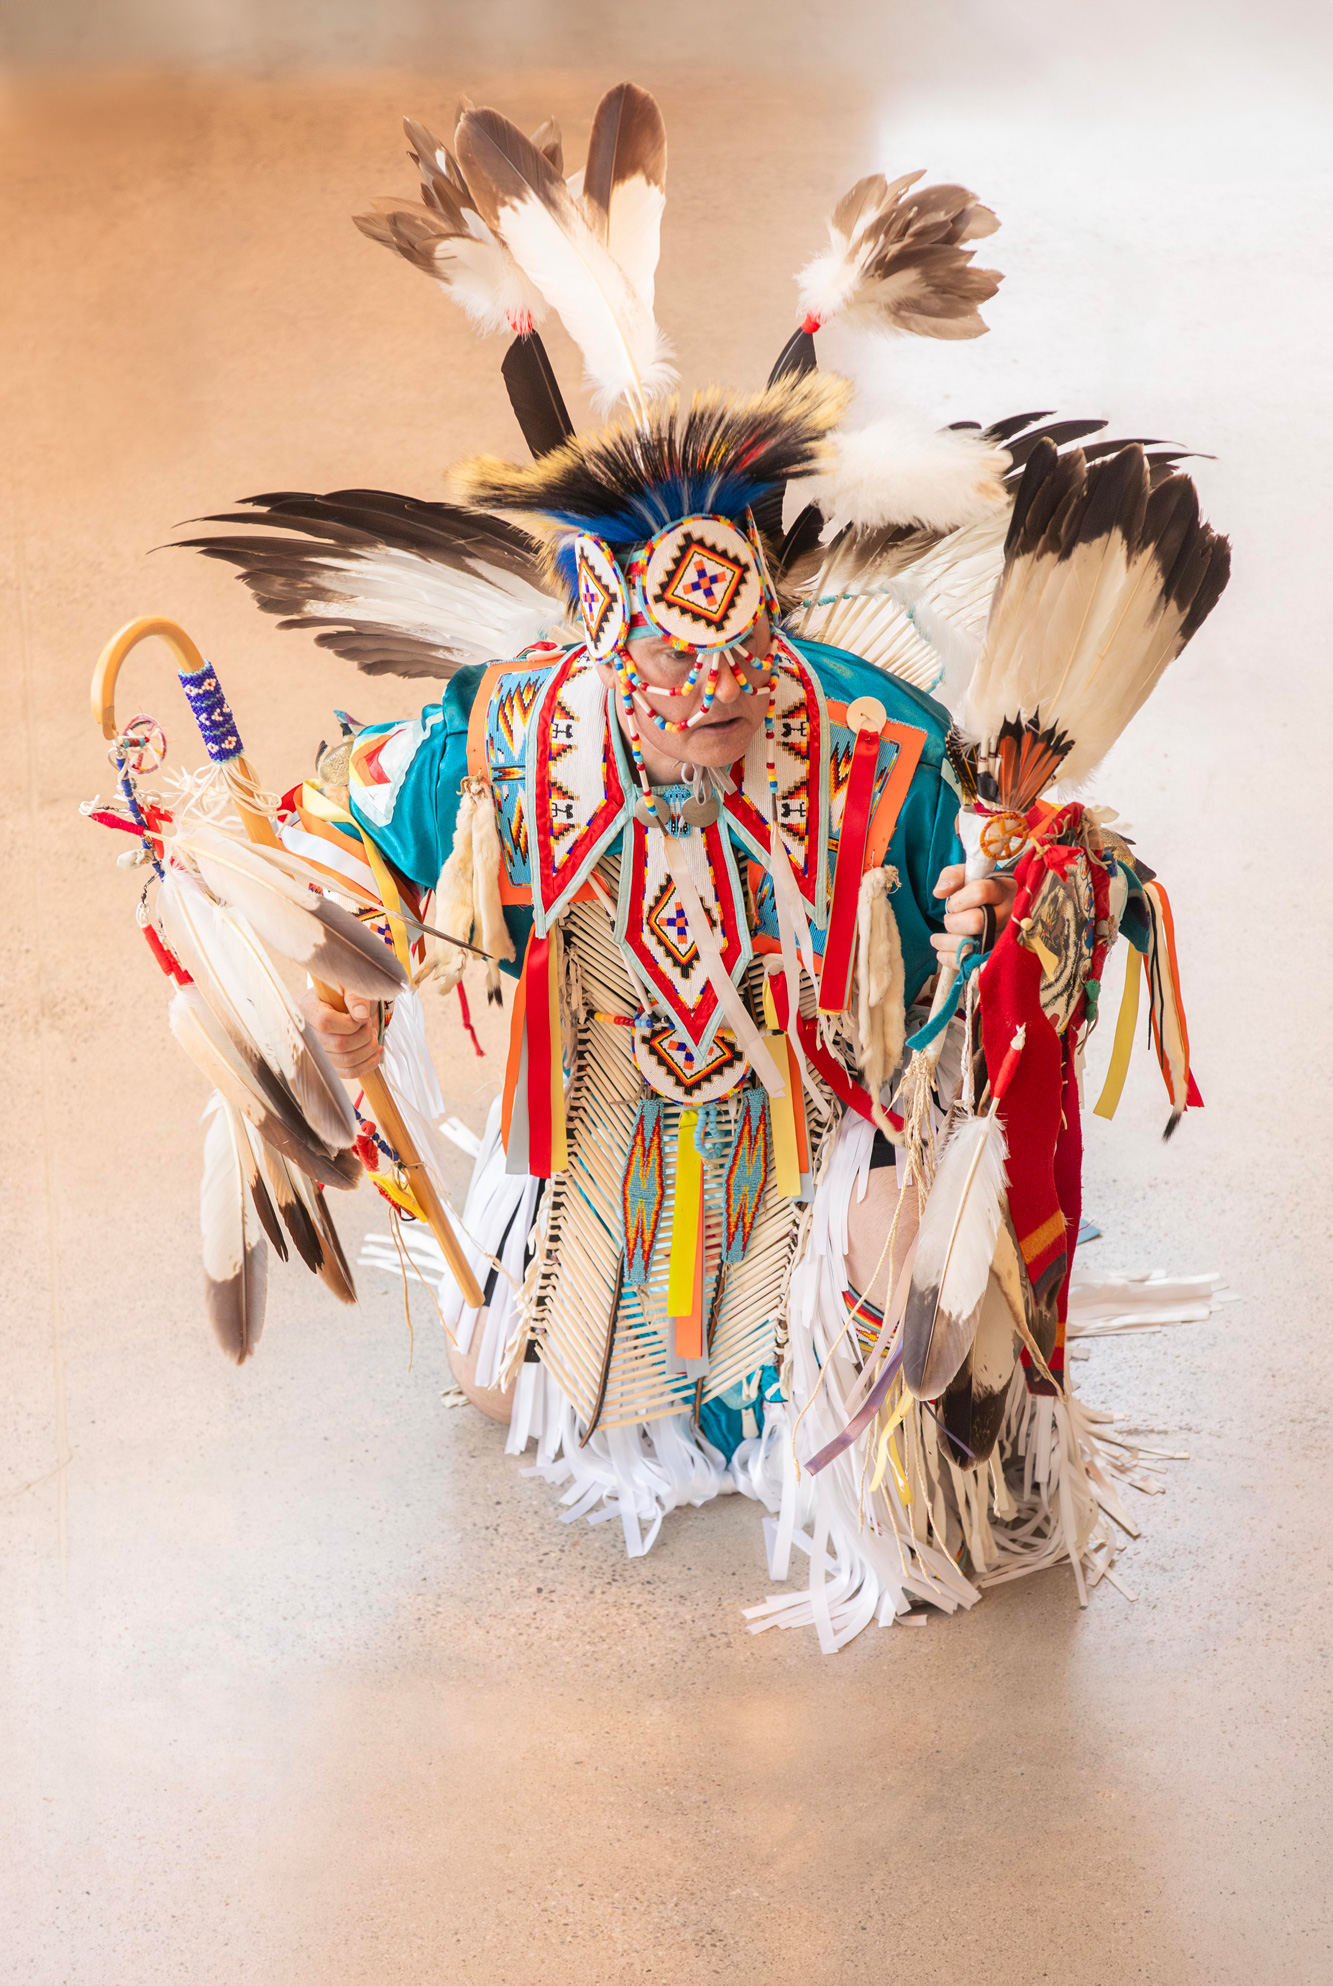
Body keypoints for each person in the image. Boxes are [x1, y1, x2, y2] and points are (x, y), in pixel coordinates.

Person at [181, 85, 1227, 1646]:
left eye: (741, 675)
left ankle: (824, 1317)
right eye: (674, 687)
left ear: (777, 632)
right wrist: (317, 979)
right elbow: (355, 834)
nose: (711, 715)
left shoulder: (868, 744)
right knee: (498, 1386)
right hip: (596, 1141)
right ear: (599, 642)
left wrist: (1025, 910)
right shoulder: (513, 734)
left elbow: (988, 957)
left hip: (801, 1144)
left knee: (873, 1368)